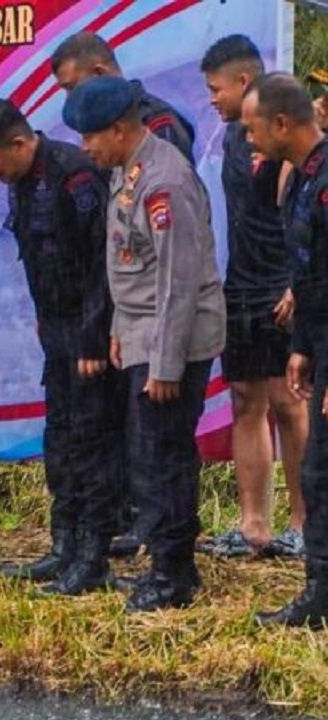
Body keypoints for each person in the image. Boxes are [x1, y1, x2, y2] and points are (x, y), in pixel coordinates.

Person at [63, 76, 226, 612]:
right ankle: (165, 563)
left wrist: (165, 364)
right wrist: (117, 332)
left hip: (170, 342)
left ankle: (173, 574)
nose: (85, 148)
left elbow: (178, 282)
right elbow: (128, 264)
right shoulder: (127, 171)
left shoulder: (164, 182)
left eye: (91, 137)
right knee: (148, 454)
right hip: (142, 334)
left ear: (118, 129)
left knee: (162, 457)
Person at [0, 99, 122, 595]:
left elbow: (104, 265)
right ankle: (63, 547)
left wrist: (94, 337)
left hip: (90, 332)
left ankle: (94, 557)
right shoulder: (22, 183)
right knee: (61, 439)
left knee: (93, 444)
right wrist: (43, 318)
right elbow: (38, 257)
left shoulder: (74, 174)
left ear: (18, 143)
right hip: (56, 329)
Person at [199, 35, 307, 559]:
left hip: (280, 289)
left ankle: (306, 525)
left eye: (216, 89)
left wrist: (297, 284)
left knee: (290, 404)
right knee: (246, 401)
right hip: (239, 286)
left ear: (245, 84)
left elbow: (305, 219)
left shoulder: (286, 138)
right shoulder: (233, 139)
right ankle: (253, 526)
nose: (212, 100)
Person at [244, 74, 328, 627]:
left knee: (321, 472)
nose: (246, 138)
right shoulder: (301, 179)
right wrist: (302, 348)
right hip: (320, 341)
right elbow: (311, 274)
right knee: (320, 472)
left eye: (252, 128)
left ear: (281, 123)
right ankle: (320, 593)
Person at [51, 31, 196, 163]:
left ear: (99, 73)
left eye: (72, 87)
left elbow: (170, 184)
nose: (69, 98)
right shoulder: (101, 131)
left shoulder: (157, 122)